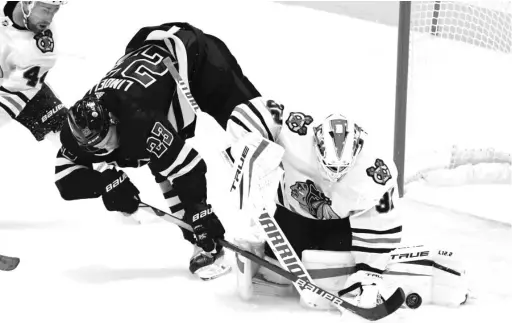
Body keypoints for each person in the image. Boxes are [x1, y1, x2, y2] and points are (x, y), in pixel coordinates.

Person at [53, 22, 261, 279]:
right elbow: (65, 181)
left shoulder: (138, 121)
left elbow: (189, 167)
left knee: (256, 127)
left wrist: (200, 211)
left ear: (113, 120)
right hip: (152, 63)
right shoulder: (76, 132)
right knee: (159, 157)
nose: (104, 148)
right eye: (94, 147)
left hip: (199, 59)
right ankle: (202, 245)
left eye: (106, 139)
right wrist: (104, 183)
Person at [227, 97, 469, 309]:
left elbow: (382, 221)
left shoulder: (377, 170)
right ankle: (274, 258)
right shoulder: (297, 129)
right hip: (291, 216)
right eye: (330, 166)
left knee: (334, 269)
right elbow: (251, 111)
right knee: (276, 273)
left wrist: (370, 270)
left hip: (340, 226)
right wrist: (249, 148)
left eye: (341, 168)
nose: (335, 174)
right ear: (316, 142)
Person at [0, 1, 68, 141]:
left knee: (65, 128)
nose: (49, 19)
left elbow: (14, 93)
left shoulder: (42, 50)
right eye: (46, 10)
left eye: (54, 11)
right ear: (26, 3)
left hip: (15, 84)